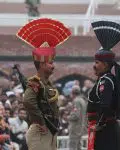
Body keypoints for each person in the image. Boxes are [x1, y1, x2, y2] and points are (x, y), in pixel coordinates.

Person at [16, 18, 71, 150]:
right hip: (41, 131)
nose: (53, 66)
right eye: (50, 63)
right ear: (41, 64)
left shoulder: (48, 84)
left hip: (50, 131)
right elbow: (28, 101)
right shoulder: (36, 82)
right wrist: (40, 121)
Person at [87, 20, 120, 150]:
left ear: (105, 65)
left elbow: (105, 105)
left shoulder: (106, 80)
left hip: (106, 131)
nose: (94, 65)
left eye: (97, 62)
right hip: (106, 129)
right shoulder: (104, 79)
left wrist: (99, 125)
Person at [68, 85, 87, 150]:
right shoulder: (82, 100)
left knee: (72, 146)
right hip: (80, 127)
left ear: (72, 92)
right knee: (79, 147)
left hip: (75, 128)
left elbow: (75, 116)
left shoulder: (76, 101)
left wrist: (67, 117)